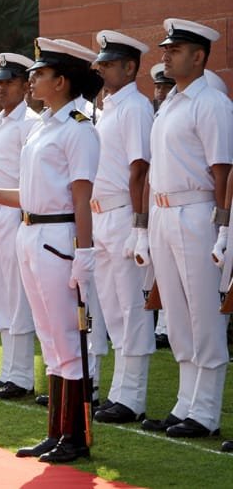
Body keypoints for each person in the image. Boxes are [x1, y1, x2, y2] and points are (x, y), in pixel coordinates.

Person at [0, 37, 103, 462]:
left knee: (65, 336)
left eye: (40, 74)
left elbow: (81, 197)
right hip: (30, 232)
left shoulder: (78, 128)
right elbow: (31, 193)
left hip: (59, 237)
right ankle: (56, 430)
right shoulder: (42, 127)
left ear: (61, 81)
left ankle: (74, 436)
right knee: (49, 337)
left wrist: (85, 252)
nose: (33, 80)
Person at [141, 18, 232, 442]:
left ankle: (206, 411)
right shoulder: (171, 103)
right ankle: (185, 403)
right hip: (163, 212)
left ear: (198, 57)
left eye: (174, 51)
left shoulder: (211, 102)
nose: (166, 56)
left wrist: (224, 228)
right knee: (176, 315)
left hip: (197, 211)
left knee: (203, 314)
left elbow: (223, 170)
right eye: (166, 50)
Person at [90, 30, 155, 424]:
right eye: (102, 64)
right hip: (101, 216)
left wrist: (139, 225)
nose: (102, 70)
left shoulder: (136, 107)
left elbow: (140, 169)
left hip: (122, 214)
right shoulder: (109, 108)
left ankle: (132, 397)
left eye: (110, 64)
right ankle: (118, 392)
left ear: (130, 68)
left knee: (131, 307)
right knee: (113, 309)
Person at [0, 53, 39, 399]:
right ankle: (7, 372)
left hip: (12, 209)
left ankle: (22, 376)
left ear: (25, 85)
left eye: (9, 82)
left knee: (16, 295)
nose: (1, 89)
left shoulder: (29, 123)